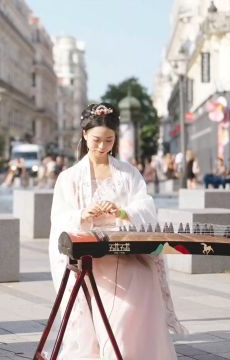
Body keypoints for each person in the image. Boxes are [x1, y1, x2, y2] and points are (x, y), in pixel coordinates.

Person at [49, 103, 185, 360]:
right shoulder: (69, 178)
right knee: (117, 299)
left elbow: (145, 205)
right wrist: (83, 214)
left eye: (109, 140)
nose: (102, 146)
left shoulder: (128, 173)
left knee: (143, 278)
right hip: (91, 257)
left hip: (126, 249)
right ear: (85, 135)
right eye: (97, 140)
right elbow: (59, 221)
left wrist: (122, 212)